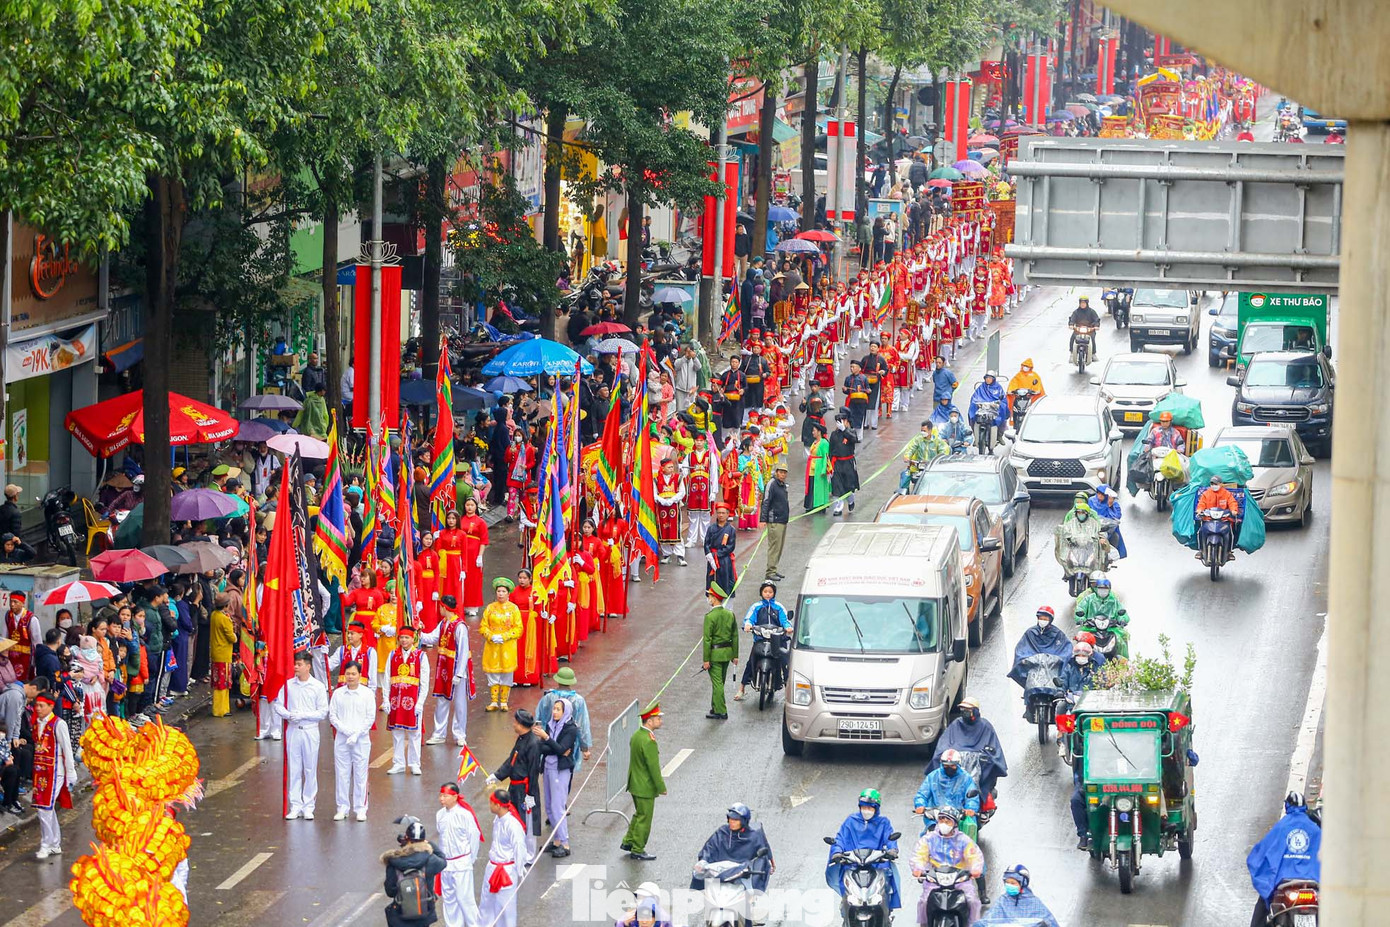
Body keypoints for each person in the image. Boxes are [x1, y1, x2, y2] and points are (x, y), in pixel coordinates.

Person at [1247, 792, 1321, 927]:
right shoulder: (1315, 829)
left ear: (1287, 806)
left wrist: (1266, 881)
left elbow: (1259, 855)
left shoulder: (1281, 828)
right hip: (1313, 884)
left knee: (1262, 910)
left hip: (1284, 884)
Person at [825, 789, 901, 911]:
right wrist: (837, 852)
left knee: (888, 882)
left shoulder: (883, 823)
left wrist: (892, 850)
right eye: (864, 807)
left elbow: (889, 838)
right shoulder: (851, 821)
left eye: (870, 808)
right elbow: (840, 839)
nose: (866, 811)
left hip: (877, 863)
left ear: (876, 808)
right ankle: (846, 906)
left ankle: (886, 909)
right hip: (853, 863)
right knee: (846, 888)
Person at [277, 651, 329, 819]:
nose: (296, 667)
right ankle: (295, 805)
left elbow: (323, 712)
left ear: (308, 666)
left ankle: (308, 806)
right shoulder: (288, 685)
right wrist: (288, 714)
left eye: (299, 665)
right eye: (295, 664)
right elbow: (278, 705)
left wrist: (304, 715)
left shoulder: (317, 686)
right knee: (294, 768)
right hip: (293, 729)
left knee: (310, 768)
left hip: (310, 730)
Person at [910, 807, 985, 921]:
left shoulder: (964, 840)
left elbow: (974, 856)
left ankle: (972, 924)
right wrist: (918, 868)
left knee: (972, 901)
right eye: (941, 820)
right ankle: (924, 923)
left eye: (948, 821)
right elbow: (919, 855)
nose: (944, 823)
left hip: (960, 880)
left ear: (955, 824)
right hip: (935, 880)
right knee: (924, 901)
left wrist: (975, 868)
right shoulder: (929, 839)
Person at [927, 697, 1007, 802]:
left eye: (968, 710)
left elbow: (993, 748)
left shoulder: (985, 726)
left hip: (979, 763)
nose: (964, 712)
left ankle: (982, 796)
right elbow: (944, 743)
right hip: (956, 761)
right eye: (962, 709)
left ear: (975, 711)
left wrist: (986, 756)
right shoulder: (956, 724)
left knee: (990, 764)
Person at [489, 708, 543, 857]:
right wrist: (497, 775)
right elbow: (511, 761)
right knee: (516, 818)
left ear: (521, 724)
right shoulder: (521, 739)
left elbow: (533, 771)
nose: (513, 724)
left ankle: (529, 854)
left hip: (525, 789)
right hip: (515, 787)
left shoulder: (533, 744)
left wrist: (530, 794)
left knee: (528, 822)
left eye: (515, 722)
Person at [328, 659, 375, 821]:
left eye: (353, 674)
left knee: (361, 775)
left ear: (360, 675)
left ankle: (361, 808)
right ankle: (342, 807)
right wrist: (346, 731)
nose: (350, 677)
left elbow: (370, 717)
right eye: (348, 674)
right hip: (342, 739)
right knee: (342, 774)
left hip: (361, 740)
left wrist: (357, 733)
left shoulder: (367, 694)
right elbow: (333, 715)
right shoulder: (338, 693)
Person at [31, 691, 77, 859]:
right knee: (45, 807)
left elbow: (67, 748)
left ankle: (46, 843)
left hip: (55, 771)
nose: (38, 709)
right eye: (36, 705)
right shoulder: (36, 723)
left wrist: (70, 772)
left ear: (51, 706)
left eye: (41, 706)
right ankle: (54, 843)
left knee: (44, 807)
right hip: (40, 771)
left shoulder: (59, 724)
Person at [691, 803, 774, 892]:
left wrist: (768, 866)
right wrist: (703, 862)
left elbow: (763, 856)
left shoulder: (754, 836)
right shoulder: (722, 833)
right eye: (730, 818)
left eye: (736, 820)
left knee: (752, 895)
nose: (732, 822)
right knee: (701, 891)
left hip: (742, 878)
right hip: (720, 875)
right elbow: (709, 848)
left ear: (743, 821)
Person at [424, 596, 473, 746]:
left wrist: (459, 673)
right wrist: (418, 632)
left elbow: (463, 651)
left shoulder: (460, 627)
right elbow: (432, 638)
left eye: (440, 607)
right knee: (442, 699)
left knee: (459, 703)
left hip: (456, 668)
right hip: (444, 667)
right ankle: (439, 733)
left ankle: (460, 734)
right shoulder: (443, 624)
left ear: (444, 607)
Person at [382, 815, 447, 927]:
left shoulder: (394, 861)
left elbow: (390, 892)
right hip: (424, 914)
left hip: (400, 916)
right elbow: (443, 860)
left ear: (406, 838)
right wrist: (429, 843)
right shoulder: (430, 860)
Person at [435, 783, 484, 927]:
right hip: (446, 863)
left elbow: (474, 836)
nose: (441, 799)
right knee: (449, 899)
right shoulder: (440, 814)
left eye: (445, 796)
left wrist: (470, 859)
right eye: (441, 795)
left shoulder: (465, 815)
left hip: (461, 862)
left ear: (455, 796)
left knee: (465, 899)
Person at [535, 696, 579, 857]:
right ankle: (556, 841)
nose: (554, 712)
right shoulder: (550, 725)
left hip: (560, 770)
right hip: (547, 767)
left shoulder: (571, 729)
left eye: (558, 709)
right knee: (548, 805)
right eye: (554, 709)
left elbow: (561, 749)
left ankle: (565, 843)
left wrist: (548, 739)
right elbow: (544, 748)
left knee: (557, 807)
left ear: (565, 711)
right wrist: (555, 747)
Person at [621, 703, 666, 860]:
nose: (660, 721)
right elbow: (653, 767)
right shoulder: (649, 740)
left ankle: (628, 841)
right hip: (644, 786)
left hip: (634, 782)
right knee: (644, 818)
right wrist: (661, 786)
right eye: (658, 718)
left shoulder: (637, 735)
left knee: (639, 814)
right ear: (649, 721)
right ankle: (638, 848)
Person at [734, 582, 790, 702]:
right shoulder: (756, 606)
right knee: (750, 662)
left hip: (777, 641)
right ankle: (742, 688)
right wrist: (748, 625)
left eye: (770, 592)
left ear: (774, 593)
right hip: (760, 640)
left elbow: (785, 620)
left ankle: (788, 692)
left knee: (785, 663)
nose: (768, 594)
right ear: (761, 592)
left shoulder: (779, 607)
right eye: (765, 591)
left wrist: (788, 627)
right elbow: (749, 618)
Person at [386, 625, 431, 776]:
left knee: (414, 733)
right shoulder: (393, 655)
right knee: (397, 732)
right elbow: (387, 678)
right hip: (395, 699)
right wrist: (385, 699)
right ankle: (398, 763)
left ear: (413, 639)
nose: (404, 640)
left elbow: (424, 682)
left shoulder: (420, 656)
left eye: (407, 637)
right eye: (402, 637)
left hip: (413, 700)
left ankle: (414, 763)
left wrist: (420, 702)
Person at [479, 791, 528, 927]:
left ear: (498, 805)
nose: (489, 805)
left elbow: (519, 847)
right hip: (492, 866)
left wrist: (519, 868)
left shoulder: (513, 825)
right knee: (486, 903)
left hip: (506, 871)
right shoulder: (497, 819)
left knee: (506, 907)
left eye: (491, 803)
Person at [479, 578, 523, 711]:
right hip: (492, 645)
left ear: (508, 593)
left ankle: (504, 701)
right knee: (493, 673)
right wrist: (490, 635)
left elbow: (518, 628)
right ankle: (493, 701)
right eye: (499, 591)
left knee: (506, 672)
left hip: (507, 646)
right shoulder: (490, 608)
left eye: (503, 591)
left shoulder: (514, 609)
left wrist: (504, 636)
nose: (501, 594)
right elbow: (483, 626)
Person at [913, 748, 980, 829]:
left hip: (958, 818)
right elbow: (922, 794)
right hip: (936, 818)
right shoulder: (933, 776)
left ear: (958, 764)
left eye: (952, 765)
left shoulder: (966, 778)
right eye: (946, 765)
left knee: (968, 835)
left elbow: (972, 798)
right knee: (927, 836)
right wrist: (920, 805)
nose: (949, 768)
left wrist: (970, 809)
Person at [976, 863, 1060, 926]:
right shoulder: (1002, 901)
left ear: (1022, 883)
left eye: (1013, 883)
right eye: (1007, 882)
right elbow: (989, 920)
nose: (1009, 885)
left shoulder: (1034, 903)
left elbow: (1049, 922)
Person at [700, 583, 738, 720]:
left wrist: (706, 660)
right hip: (727, 654)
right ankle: (715, 707)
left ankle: (721, 711)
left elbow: (707, 640)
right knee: (720, 682)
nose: (708, 599)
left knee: (717, 684)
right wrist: (735, 655)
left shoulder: (710, 617)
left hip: (714, 655)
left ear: (714, 598)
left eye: (709, 596)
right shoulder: (730, 614)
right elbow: (735, 636)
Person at [654, 457, 687, 566]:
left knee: (676, 530)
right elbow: (654, 493)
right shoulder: (656, 479)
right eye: (669, 467)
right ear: (662, 468)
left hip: (674, 506)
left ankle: (680, 556)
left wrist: (672, 500)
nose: (672, 469)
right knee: (663, 530)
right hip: (662, 507)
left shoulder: (678, 478)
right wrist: (662, 500)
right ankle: (666, 554)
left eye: (672, 467)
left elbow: (682, 492)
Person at [761, 459, 790, 580]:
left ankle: (774, 568)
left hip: (782, 520)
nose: (783, 474)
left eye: (785, 472)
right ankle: (770, 572)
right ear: (776, 472)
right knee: (774, 547)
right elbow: (766, 501)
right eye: (781, 472)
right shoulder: (771, 484)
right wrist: (763, 519)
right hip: (774, 521)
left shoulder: (782, 485)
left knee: (779, 547)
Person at [967, 370, 1009, 449]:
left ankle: (999, 435)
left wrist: (999, 404)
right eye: (986, 378)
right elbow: (974, 397)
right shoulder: (981, 387)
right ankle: (976, 436)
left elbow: (1003, 399)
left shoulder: (998, 388)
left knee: (1002, 418)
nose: (988, 379)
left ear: (993, 379)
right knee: (973, 417)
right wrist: (976, 403)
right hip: (982, 409)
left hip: (994, 410)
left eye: (990, 378)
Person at [828, 411, 859, 516]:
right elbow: (831, 450)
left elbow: (854, 439)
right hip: (837, 463)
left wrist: (844, 430)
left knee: (848, 485)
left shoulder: (851, 432)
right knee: (837, 486)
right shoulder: (834, 434)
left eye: (842, 421)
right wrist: (830, 466)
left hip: (848, 463)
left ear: (846, 421)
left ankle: (850, 500)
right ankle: (838, 508)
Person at [704, 504, 737, 598]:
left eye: (723, 513)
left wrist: (717, 554)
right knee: (712, 579)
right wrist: (709, 555)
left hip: (725, 559)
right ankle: (712, 598)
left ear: (727, 514)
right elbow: (706, 543)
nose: (721, 515)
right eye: (719, 513)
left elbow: (731, 546)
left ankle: (726, 598)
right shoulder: (711, 528)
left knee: (725, 579)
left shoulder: (731, 530)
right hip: (712, 559)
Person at [1088, 483, 1126, 559]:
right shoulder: (1091, 501)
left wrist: (1110, 506)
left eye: (1102, 494)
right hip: (1094, 528)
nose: (1099, 496)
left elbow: (1117, 517)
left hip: (1108, 530)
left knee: (1115, 538)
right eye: (1098, 493)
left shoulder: (1114, 504)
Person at [804, 421, 831, 512]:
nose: (812, 432)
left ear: (819, 432)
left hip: (818, 467)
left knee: (819, 487)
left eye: (814, 430)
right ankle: (811, 504)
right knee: (812, 485)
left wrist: (823, 469)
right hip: (812, 467)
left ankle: (820, 505)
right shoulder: (815, 442)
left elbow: (826, 457)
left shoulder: (824, 443)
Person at [842, 360, 870, 439]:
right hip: (851, 401)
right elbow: (846, 391)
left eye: (853, 367)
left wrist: (868, 391)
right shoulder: (848, 378)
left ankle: (859, 436)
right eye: (851, 367)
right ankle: (851, 435)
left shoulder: (863, 378)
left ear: (859, 368)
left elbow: (867, 388)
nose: (851, 368)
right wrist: (845, 390)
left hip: (861, 402)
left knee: (860, 417)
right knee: (850, 417)